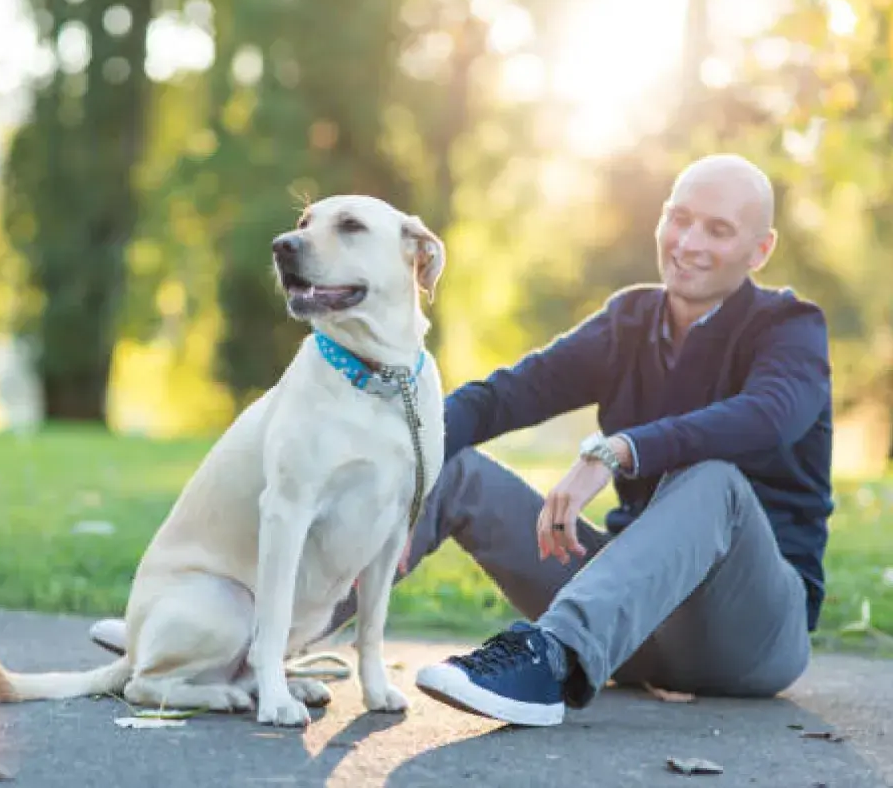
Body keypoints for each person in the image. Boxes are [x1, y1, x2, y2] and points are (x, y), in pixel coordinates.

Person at [89, 152, 833, 728]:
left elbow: (768, 417)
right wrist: (416, 445)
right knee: (443, 457)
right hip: (632, 618)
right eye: (678, 217)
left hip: (748, 635)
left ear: (759, 250)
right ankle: (254, 639)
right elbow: (505, 395)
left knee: (712, 480)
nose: (688, 242)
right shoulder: (630, 319)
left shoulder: (791, 330)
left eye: (718, 229)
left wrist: (616, 450)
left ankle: (546, 663)